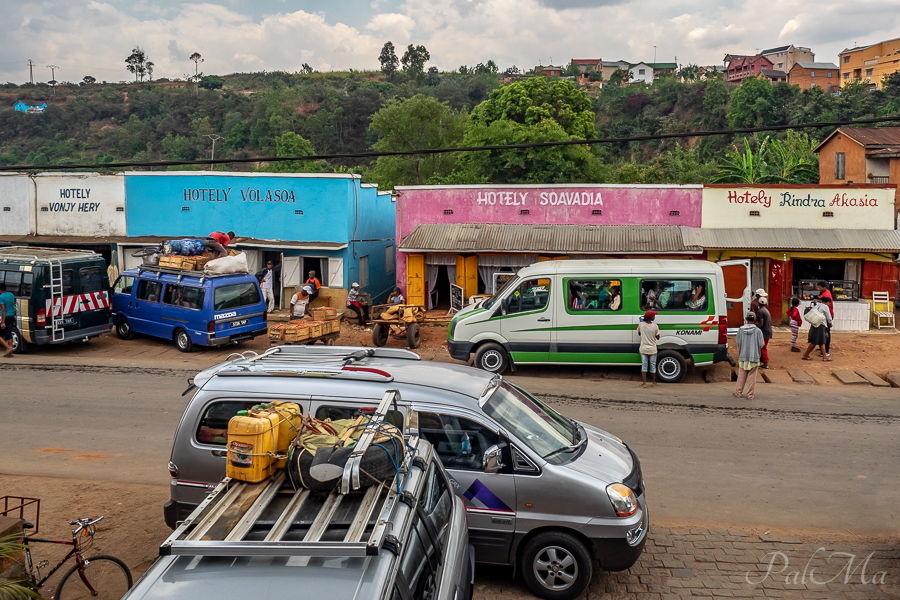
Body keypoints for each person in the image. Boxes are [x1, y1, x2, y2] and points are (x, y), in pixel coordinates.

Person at [735, 312, 765, 399]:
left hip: (743, 355)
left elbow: (738, 342)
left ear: (746, 318)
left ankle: (738, 392)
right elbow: (761, 344)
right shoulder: (758, 331)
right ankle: (750, 395)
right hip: (754, 356)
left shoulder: (740, 330)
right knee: (752, 377)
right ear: (755, 319)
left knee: (741, 375)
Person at [638, 310, 660, 388]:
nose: (654, 317)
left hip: (643, 349)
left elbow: (639, 333)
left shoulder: (641, 325)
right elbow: (658, 337)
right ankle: (653, 382)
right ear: (651, 317)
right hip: (652, 349)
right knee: (652, 366)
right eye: (654, 316)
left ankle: (644, 383)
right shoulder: (655, 326)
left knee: (644, 365)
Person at [756, 296, 773, 369]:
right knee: (762, 347)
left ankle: (765, 363)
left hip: (764, 332)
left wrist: (754, 326)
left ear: (758, 303)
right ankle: (763, 361)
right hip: (768, 331)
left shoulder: (760, 311)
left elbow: (761, 324)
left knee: (763, 347)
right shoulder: (766, 310)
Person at [0, 282, 16, 358]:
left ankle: (8, 347)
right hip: (11, 316)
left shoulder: (1, 297)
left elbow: (3, 309)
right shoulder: (11, 294)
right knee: (8, 333)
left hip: (4, 317)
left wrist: (2, 322)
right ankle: (10, 353)